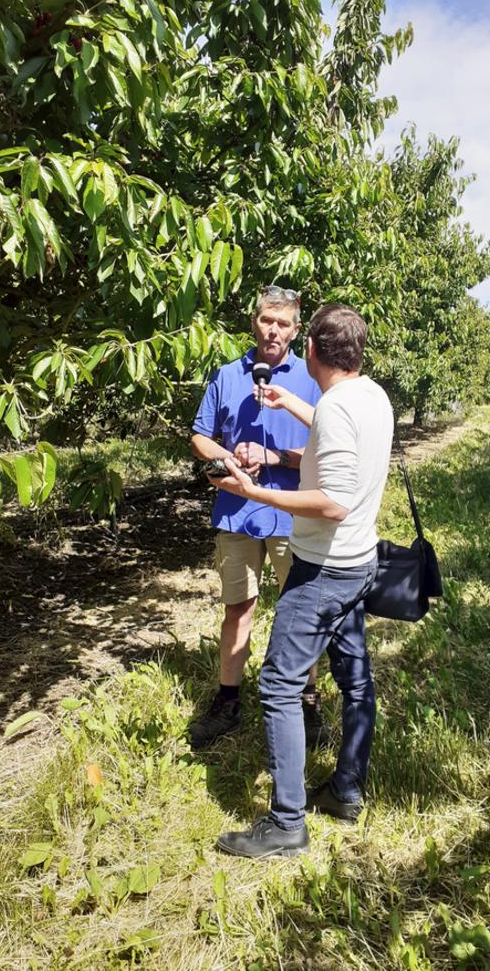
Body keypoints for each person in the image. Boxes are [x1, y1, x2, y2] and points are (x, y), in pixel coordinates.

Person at [212, 303, 394, 858]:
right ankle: (345, 789)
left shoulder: (338, 407)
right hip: (361, 563)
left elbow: (332, 502)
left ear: (310, 347)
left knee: (278, 684)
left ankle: (287, 824)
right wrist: (288, 399)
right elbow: (335, 429)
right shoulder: (372, 396)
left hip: (323, 569)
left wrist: (254, 492)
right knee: (355, 678)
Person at [189, 286, 326, 751]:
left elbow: (326, 451)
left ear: (295, 330)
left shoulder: (311, 382)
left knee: (302, 613)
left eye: (283, 323)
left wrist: (275, 456)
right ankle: (228, 701)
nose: (274, 330)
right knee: (238, 608)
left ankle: (308, 701)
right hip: (238, 514)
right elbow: (199, 437)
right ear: (255, 321)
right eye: (267, 320)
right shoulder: (227, 376)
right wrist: (229, 458)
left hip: (293, 515)